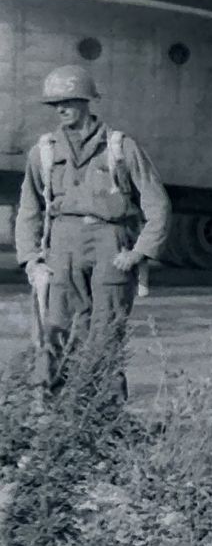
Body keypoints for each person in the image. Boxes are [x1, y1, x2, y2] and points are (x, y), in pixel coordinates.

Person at [14, 64, 172, 393]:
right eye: (55, 103)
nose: (61, 109)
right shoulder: (44, 151)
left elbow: (157, 203)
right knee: (58, 331)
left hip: (110, 244)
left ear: (87, 101)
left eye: (69, 101)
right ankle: (58, 412)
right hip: (62, 246)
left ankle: (104, 414)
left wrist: (140, 252)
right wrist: (30, 258)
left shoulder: (120, 147)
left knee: (107, 333)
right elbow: (29, 208)